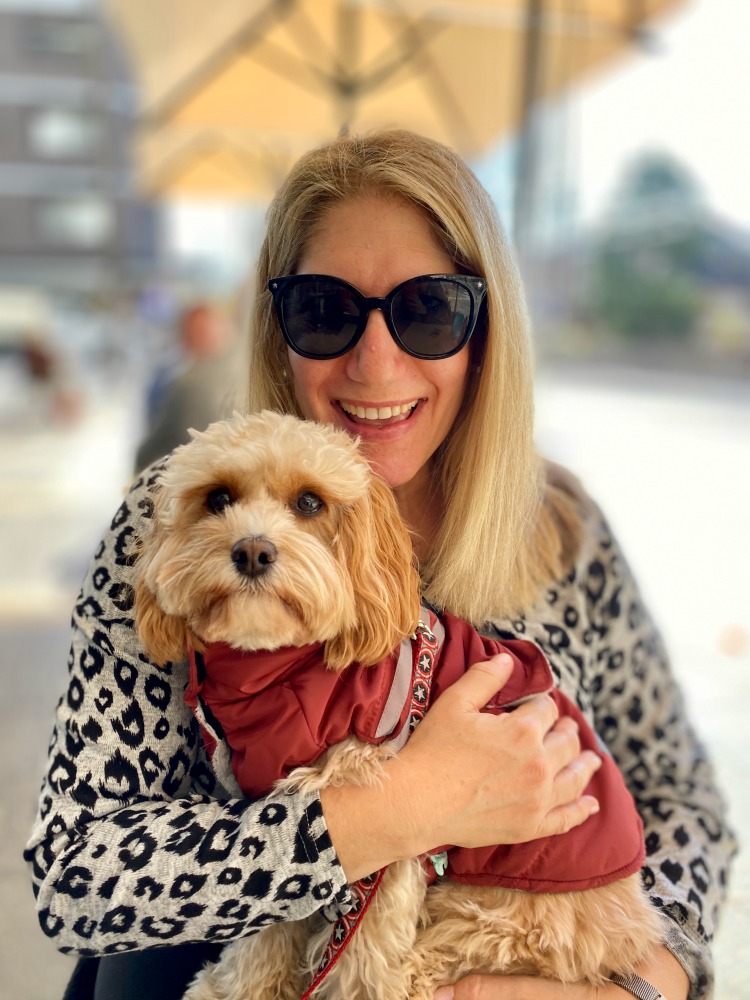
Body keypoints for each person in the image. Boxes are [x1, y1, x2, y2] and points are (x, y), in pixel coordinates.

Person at [25, 130, 735, 1000]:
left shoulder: (564, 532)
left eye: (428, 311)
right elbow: (77, 877)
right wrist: (397, 810)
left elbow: (678, 799)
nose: (374, 363)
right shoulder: (168, 521)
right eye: (324, 310)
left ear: (485, 333)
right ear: (276, 327)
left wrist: (636, 987)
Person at [134, 301, 238, 473]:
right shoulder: (170, 376)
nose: (201, 337)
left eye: (205, 331)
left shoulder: (192, 385)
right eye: (195, 332)